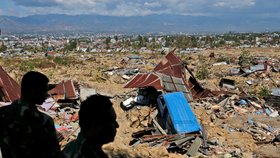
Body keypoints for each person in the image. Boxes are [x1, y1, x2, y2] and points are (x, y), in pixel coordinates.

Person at [0, 71, 62, 158]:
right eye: (44, 91)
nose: (46, 95)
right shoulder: (44, 121)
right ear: (33, 92)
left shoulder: (3, 114)